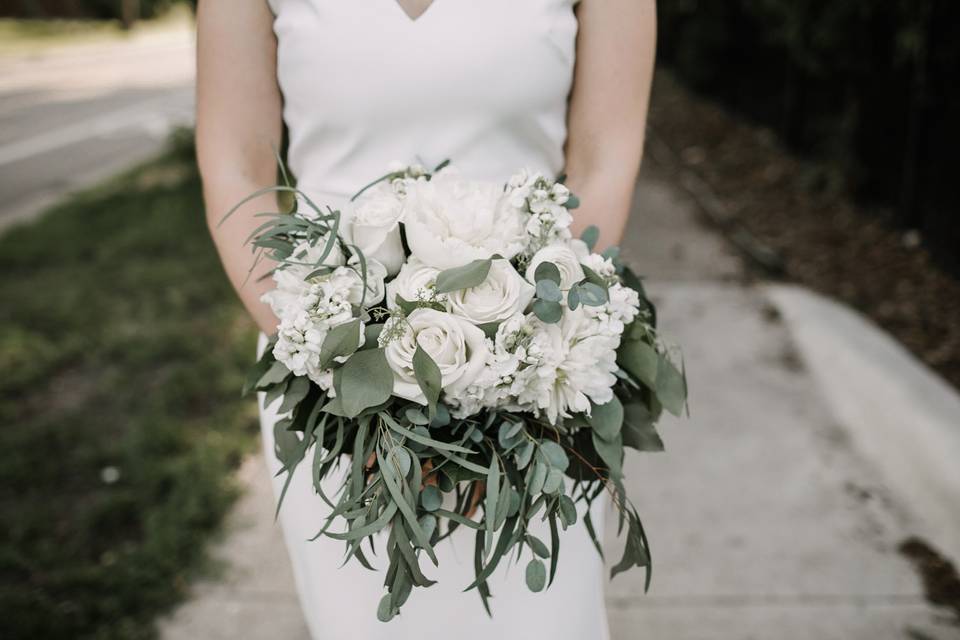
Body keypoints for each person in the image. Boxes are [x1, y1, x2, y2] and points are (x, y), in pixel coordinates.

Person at [197, 1, 656, 637]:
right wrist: (328, 362)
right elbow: (235, 163)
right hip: (332, 381)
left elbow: (605, 156)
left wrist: (518, 369)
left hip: (535, 385)